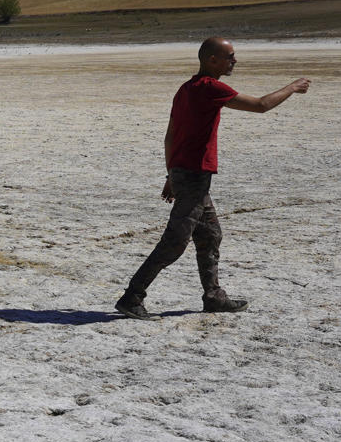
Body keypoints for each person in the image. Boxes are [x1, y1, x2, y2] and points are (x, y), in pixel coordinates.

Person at [116, 39, 309, 319]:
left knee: (210, 235)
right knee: (174, 243)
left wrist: (171, 174)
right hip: (193, 176)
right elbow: (261, 105)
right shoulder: (210, 88)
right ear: (211, 60)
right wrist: (292, 87)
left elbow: (170, 135)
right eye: (229, 57)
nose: (235, 61)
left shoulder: (185, 89)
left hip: (187, 175)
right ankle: (132, 297)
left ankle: (214, 296)